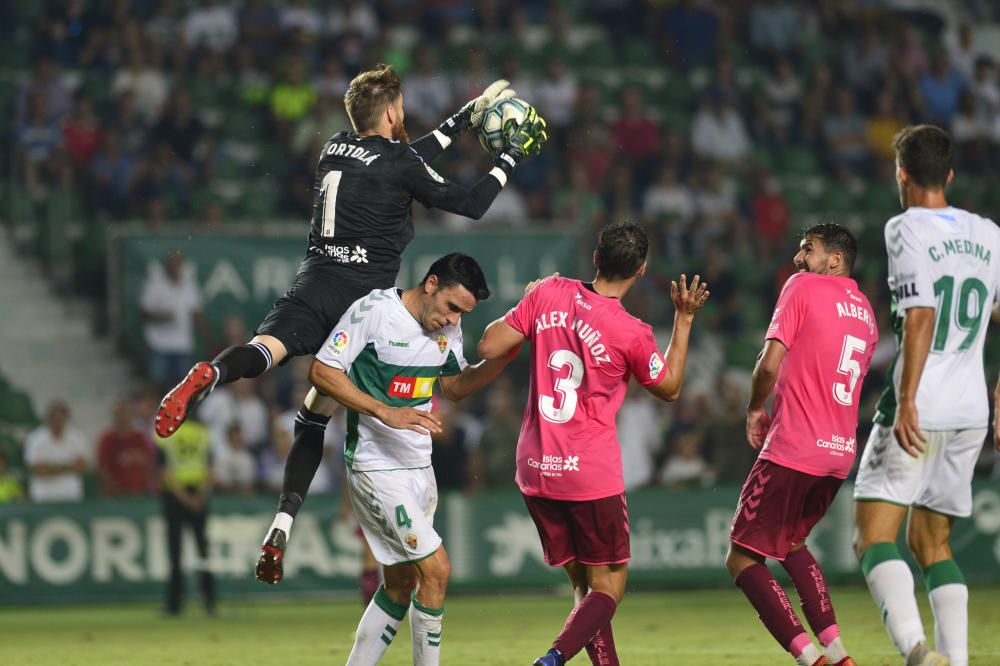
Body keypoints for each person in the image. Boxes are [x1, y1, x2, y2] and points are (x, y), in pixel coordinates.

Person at [151, 63, 547, 574]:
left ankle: (215, 375)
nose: (403, 115)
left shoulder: (333, 148)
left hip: (314, 279)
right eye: (400, 107)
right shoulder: (399, 162)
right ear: (389, 110)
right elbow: (468, 203)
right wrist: (511, 156)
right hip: (363, 300)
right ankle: (290, 520)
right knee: (318, 411)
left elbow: (403, 160)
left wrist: (466, 117)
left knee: (266, 352)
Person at [477, 222, 709, 666]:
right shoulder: (632, 331)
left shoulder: (548, 292)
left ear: (596, 257)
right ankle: (553, 658)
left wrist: (529, 300)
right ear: (641, 271)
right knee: (608, 589)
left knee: (585, 588)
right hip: (588, 473)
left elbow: (489, 345)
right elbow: (671, 387)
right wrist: (684, 319)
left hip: (536, 468)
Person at [301, 253, 514, 665]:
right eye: (453, 307)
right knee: (436, 571)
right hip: (375, 464)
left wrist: (502, 358)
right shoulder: (375, 311)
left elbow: (453, 386)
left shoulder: (449, 327)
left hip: (419, 467)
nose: (453, 320)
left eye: (463, 314)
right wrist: (385, 411)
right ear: (431, 283)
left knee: (399, 584)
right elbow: (323, 371)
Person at [853, 125, 1000, 666]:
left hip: (922, 403)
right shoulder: (988, 233)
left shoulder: (905, 227)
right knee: (932, 545)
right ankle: (957, 663)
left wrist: (909, 398)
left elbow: (919, 315)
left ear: (902, 176)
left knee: (872, 537)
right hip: (970, 412)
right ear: (952, 176)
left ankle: (918, 653)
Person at [725, 224, 878, 666]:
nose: (797, 258)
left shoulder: (802, 286)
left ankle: (811, 659)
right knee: (792, 542)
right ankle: (838, 652)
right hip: (838, 453)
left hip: (794, 446)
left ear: (834, 260)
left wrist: (755, 407)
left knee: (741, 559)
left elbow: (769, 363)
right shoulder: (866, 312)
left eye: (807, 249)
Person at [156, 418, 216, 616]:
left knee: (175, 554)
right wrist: (198, 496)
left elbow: (163, 472)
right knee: (204, 552)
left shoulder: (165, 433)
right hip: (198, 495)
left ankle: (174, 606)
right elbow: (210, 469)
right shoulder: (204, 433)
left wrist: (183, 498)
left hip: (175, 497)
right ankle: (209, 602)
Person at [140, 249, 210, 390]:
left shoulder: (189, 285)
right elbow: (143, 314)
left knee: (184, 387)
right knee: (157, 383)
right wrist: (162, 318)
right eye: (171, 263)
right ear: (166, 265)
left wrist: (207, 338)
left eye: (177, 263)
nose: (174, 266)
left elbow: (196, 313)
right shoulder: (155, 284)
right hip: (159, 344)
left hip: (183, 344)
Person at [24, 401, 89, 502]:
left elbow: (82, 466)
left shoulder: (77, 437)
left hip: (71, 494)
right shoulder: (35, 439)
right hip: (44, 495)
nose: (58, 422)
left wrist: (52, 467)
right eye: (54, 418)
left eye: (61, 418)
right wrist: (69, 467)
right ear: (48, 419)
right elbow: (39, 470)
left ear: (67, 418)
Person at [96, 400, 156, 496]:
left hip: (139, 493)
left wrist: (145, 487)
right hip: (115, 495)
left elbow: (149, 463)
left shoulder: (139, 437)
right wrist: (113, 489)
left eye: (126, 413)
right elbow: (103, 467)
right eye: (120, 413)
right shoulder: (108, 439)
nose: (123, 416)